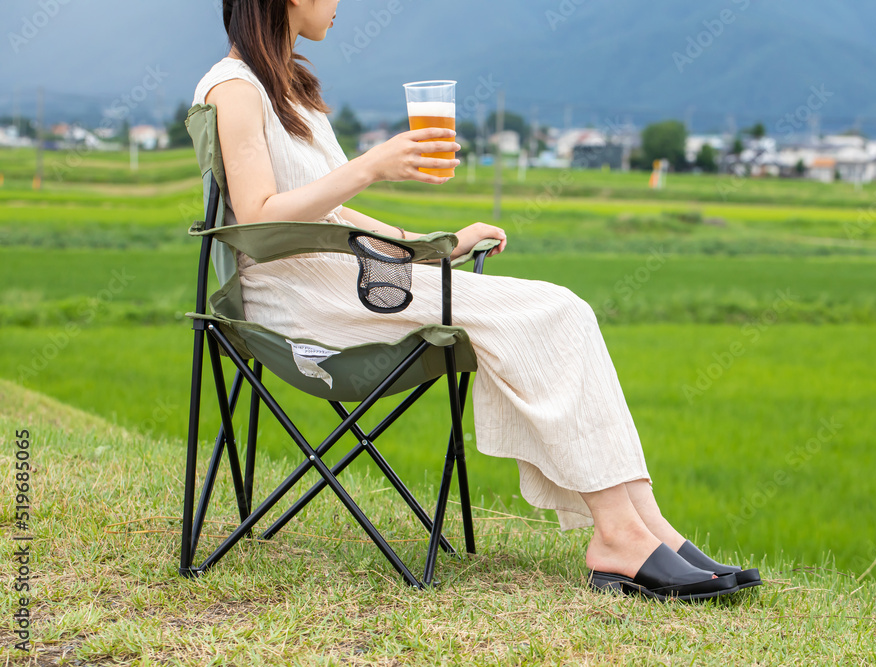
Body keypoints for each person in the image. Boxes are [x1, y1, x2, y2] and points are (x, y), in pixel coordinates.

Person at [193, 0, 761, 602]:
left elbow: (329, 215)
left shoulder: (290, 89)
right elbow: (255, 217)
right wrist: (370, 167)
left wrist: (429, 247)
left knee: (563, 307)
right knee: (553, 312)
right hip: (301, 299)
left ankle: (648, 530)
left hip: (348, 280)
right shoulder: (234, 88)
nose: (341, 4)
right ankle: (620, 537)